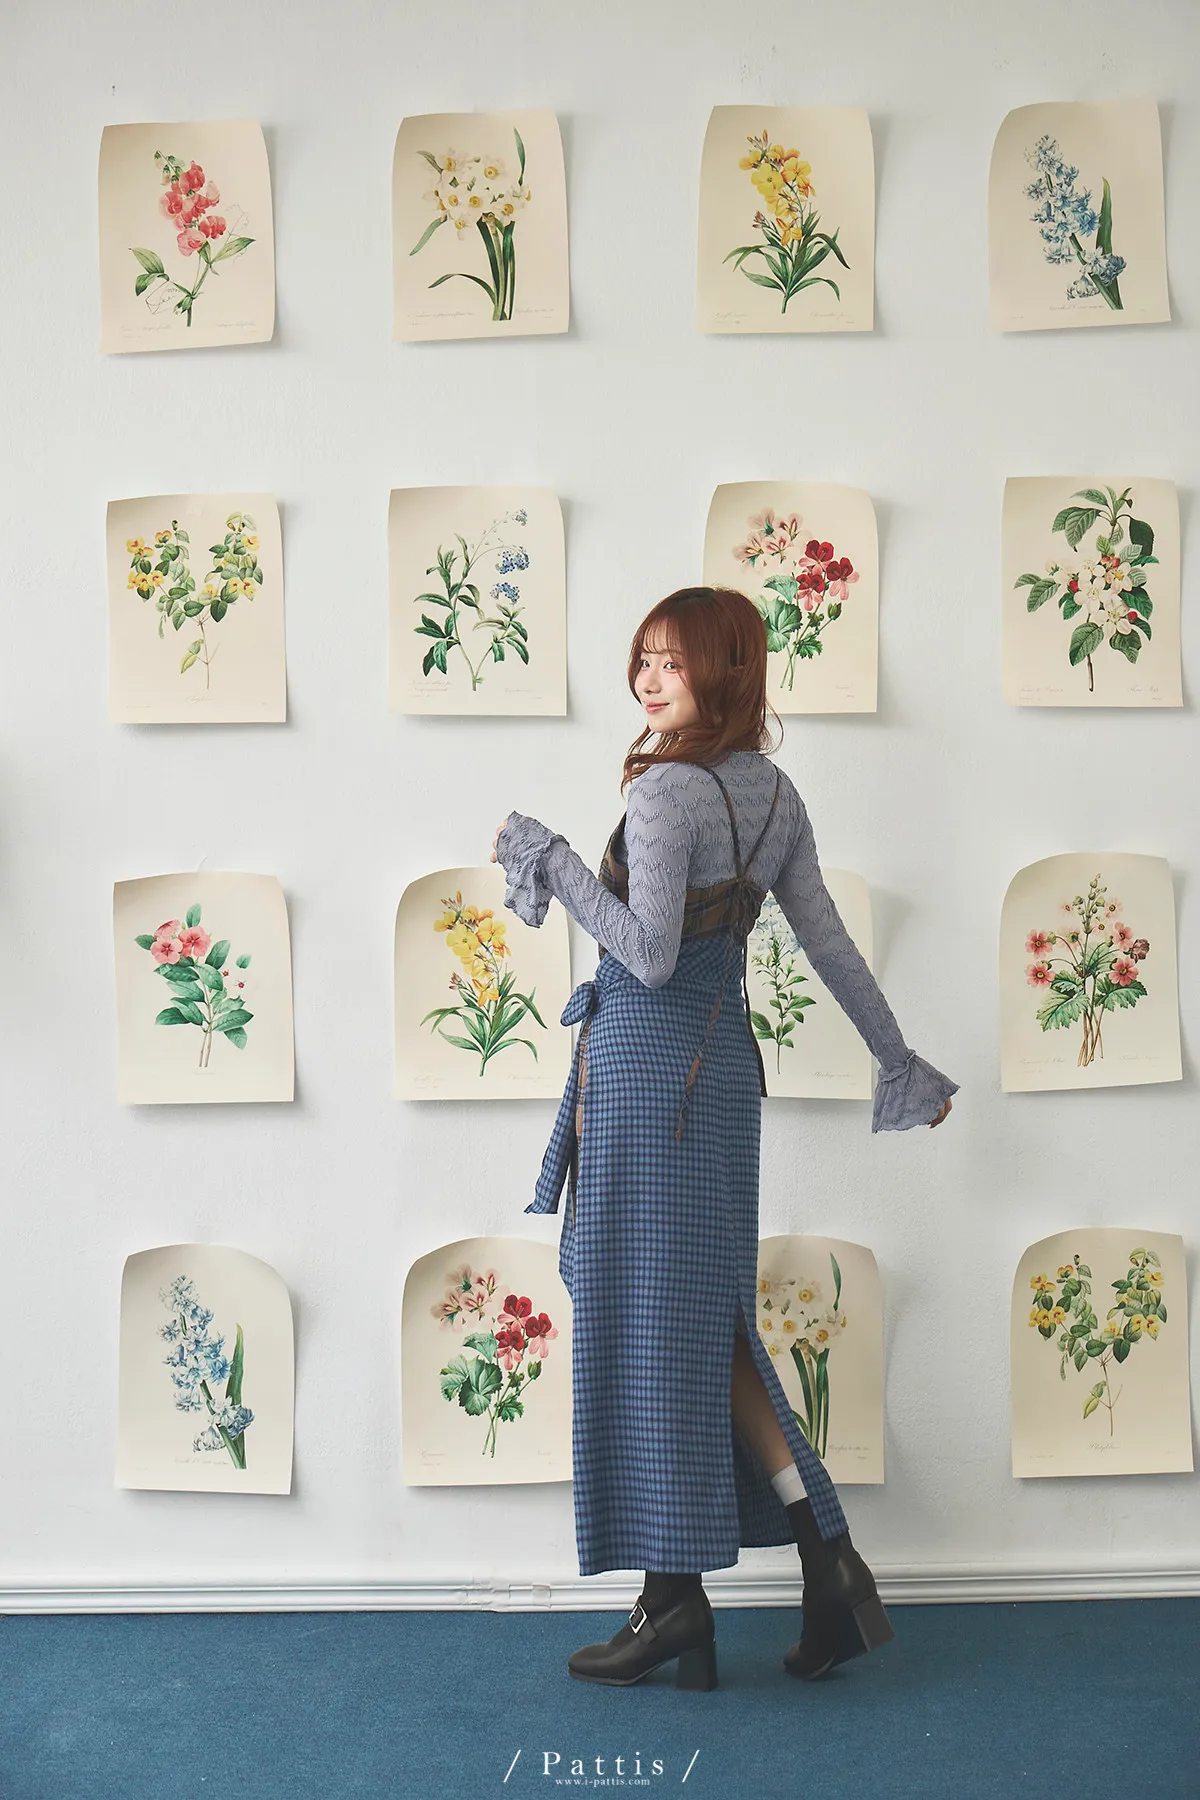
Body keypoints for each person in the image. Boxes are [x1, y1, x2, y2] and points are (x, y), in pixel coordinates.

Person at [490, 586, 957, 1692]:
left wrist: (553, 860)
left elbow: (646, 954)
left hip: (650, 1080)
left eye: (675, 661)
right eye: (643, 658)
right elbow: (828, 942)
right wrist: (898, 1060)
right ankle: (821, 1563)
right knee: (703, 1327)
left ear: (727, 671)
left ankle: (674, 1606)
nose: (650, 680)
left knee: (648, 1328)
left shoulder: (663, 795)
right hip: (723, 1083)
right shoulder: (774, 794)